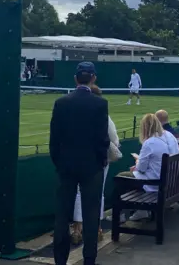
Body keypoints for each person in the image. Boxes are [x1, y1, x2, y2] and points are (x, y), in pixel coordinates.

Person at [50, 61, 109, 265]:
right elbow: (103, 140)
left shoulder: (61, 103)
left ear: (76, 78)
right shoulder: (100, 104)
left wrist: (60, 163)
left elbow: (54, 140)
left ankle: (60, 261)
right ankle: (89, 261)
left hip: (66, 167)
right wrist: (100, 162)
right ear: (93, 78)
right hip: (91, 167)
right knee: (91, 217)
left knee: (62, 216)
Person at [72, 85, 119, 244]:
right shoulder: (104, 116)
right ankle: (96, 229)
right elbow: (114, 140)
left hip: (79, 157)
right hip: (99, 160)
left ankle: (78, 229)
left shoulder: (75, 113)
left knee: (79, 192)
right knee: (97, 192)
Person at [117, 113, 172, 221]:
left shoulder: (149, 143)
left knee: (120, 177)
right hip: (161, 180)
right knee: (127, 177)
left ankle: (120, 215)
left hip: (154, 182)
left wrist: (137, 161)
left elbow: (141, 169)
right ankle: (140, 211)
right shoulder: (162, 141)